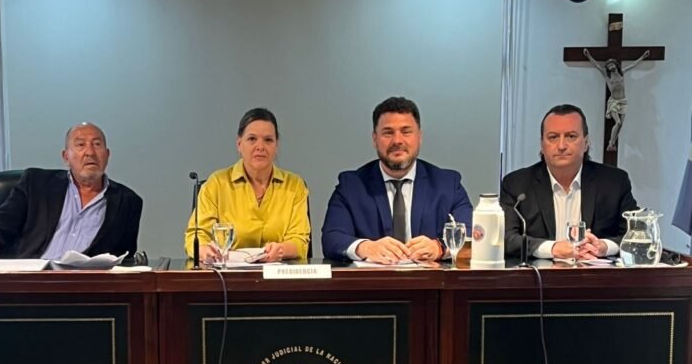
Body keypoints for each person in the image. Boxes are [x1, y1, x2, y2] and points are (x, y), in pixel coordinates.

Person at [321, 95, 472, 263]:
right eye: (388, 133)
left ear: (419, 137)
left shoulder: (448, 184)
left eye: (406, 132)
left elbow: (471, 233)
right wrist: (365, 247)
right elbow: (331, 238)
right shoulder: (351, 186)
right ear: (374, 139)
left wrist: (440, 248)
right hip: (373, 279)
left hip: (430, 278)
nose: (397, 141)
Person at [0, 123, 143, 260]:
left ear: (107, 155)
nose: (90, 152)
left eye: (97, 145)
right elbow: (3, 221)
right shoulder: (36, 183)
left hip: (85, 288)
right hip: (32, 281)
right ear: (66, 157)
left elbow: (124, 257)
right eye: (80, 145)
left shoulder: (128, 201)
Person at [500, 103, 638, 261]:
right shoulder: (517, 185)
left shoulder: (614, 182)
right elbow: (506, 238)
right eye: (553, 137)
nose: (561, 146)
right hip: (540, 275)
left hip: (595, 274)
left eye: (571, 136)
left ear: (586, 143)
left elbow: (636, 234)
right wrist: (552, 249)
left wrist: (604, 246)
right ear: (542, 145)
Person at [185, 107, 310, 263]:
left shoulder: (295, 186)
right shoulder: (216, 184)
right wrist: (204, 251)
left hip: (277, 273)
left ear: (276, 146)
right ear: (239, 144)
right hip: (227, 275)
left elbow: (300, 241)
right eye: (252, 139)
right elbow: (196, 236)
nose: (260, 147)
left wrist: (281, 250)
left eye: (268, 140)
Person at [583, 49, 649, 150]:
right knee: (617, 122)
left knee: (621, 125)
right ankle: (610, 143)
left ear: (615, 65)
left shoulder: (622, 73)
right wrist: (588, 56)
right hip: (614, 101)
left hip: (623, 101)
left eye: (612, 64)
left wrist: (643, 57)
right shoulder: (608, 76)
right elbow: (597, 66)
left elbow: (633, 65)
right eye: (609, 66)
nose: (611, 67)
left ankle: (612, 144)